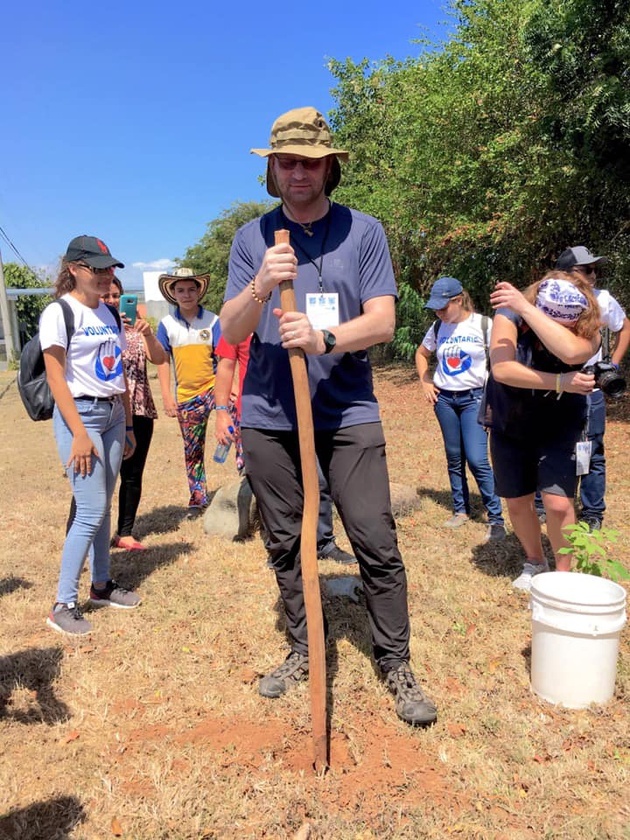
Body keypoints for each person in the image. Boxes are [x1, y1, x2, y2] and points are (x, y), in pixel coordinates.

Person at [220, 106, 437, 726]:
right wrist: (262, 284)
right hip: (268, 411)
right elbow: (229, 329)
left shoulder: (362, 232)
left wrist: (326, 338)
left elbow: (385, 321)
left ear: (329, 168)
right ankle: (300, 649)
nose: (298, 172)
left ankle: (395, 660)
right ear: (273, 170)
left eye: (310, 162)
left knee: (373, 536)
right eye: (287, 162)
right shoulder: (251, 239)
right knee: (286, 541)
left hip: (347, 411)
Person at [41, 235, 141, 636]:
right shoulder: (59, 312)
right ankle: (63, 604)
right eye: (96, 269)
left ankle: (101, 585)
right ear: (74, 269)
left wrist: (128, 423)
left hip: (113, 415)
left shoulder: (109, 314)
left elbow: (117, 374)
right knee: (90, 509)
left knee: (103, 505)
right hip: (79, 415)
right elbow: (55, 376)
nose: (105, 276)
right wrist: (79, 433)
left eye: (109, 269)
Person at [487, 273, 601, 591]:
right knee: (518, 500)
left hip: (561, 423)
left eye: (567, 322)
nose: (562, 327)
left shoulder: (589, 324)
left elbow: (572, 354)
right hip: (511, 417)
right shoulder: (509, 316)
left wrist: (528, 308)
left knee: (558, 503)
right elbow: (502, 369)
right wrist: (559, 382)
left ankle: (562, 576)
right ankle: (535, 561)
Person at [213, 334, 356, 564]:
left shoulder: (293, 316)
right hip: (260, 419)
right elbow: (226, 365)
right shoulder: (243, 316)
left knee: (317, 478)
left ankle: (322, 541)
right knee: (274, 486)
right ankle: (284, 549)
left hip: (307, 410)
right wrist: (221, 412)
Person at [415, 276, 505, 541]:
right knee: (454, 457)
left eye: (444, 307)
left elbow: (501, 364)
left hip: (474, 399)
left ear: (458, 300)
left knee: (477, 459)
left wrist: (494, 401)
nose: (439, 313)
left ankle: (496, 517)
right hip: (444, 401)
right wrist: (425, 381)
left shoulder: (485, 325)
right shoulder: (436, 327)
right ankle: (460, 510)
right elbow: (421, 354)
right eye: (435, 309)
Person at [554, 246, 630, 530]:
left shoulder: (603, 299)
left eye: (595, 269)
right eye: (586, 269)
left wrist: (614, 365)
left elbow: (624, 327)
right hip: (556, 387)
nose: (593, 275)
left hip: (590, 391)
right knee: (550, 444)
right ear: (564, 274)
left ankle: (592, 512)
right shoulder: (549, 300)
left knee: (592, 449)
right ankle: (543, 503)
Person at [102, 277, 166, 549]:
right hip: (106, 410)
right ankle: (89, 534)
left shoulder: (136, 330)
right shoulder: (94, 328)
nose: (113, 301)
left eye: (116, 295)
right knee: (100, 476)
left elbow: (161, 359)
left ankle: (124, 531)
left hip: (140, 408)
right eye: (106, 296)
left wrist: (147, 333)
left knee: (132, 473)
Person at [156, 267, 221, 517]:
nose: (186, 295)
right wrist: (167, 396)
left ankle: (249, 487)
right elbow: (162, 360)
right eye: (180, 290)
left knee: (238, 433)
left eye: (191, 289)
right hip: (187, 396)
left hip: (214, 390)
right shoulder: (166, 324)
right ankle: (198, 497)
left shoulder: (214, 321)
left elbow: (224, 358)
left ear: (199, 292)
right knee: (193, 449)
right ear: (173, 294)